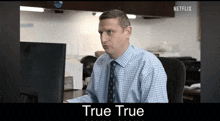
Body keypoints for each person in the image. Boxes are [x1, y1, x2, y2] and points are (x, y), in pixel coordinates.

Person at [64, 9, 168, 103]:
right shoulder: (101, 61)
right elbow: (94, 99)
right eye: (101, 33)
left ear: (127, 32)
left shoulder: (148, 64)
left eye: (110, 32)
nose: (103, 39)